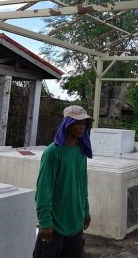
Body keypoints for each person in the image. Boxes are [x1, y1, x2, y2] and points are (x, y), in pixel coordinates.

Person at [33, 105, 93, 258]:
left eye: (84, 124)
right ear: (67, 124)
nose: (82, 128)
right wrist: (45, 221)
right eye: (78, 123)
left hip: (76, 223)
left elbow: (82, 184)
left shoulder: (81, 151)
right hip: (54, 226)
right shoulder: (53, 152)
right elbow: (44, 189)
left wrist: (85, 211)